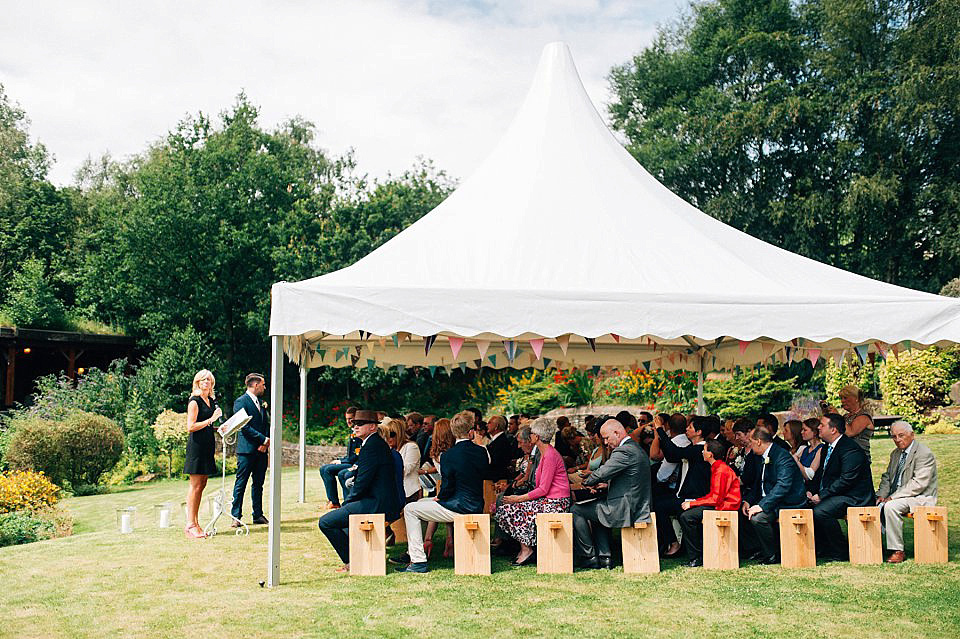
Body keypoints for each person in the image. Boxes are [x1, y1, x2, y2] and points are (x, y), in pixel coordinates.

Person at [397, 410, 490, 573]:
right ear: (471, 431)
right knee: (419, 504)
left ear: (454, 432)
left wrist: (440, 498)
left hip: (458, 507)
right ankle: (418, 556)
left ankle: (418, 560)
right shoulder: (482, 451)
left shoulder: (448, 455)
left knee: (410, 509)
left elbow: (448, 486)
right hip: (476, 504)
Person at [318, 410, 400, 572]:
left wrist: (347, 502)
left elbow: (363, 482)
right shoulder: (373, 443)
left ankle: (354, 560)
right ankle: (357, 557)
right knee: (340, 519)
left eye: (360, 424)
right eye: (354, 424)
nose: (355, 427)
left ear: (372, 427)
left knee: (326, 522)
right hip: (378, 500)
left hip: (377, 503)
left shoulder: (372, 446)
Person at [572, 418, 651, 570]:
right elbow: (629, 478)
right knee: (595, 510)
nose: (606, 443)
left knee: (577, 510)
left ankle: (589, 556)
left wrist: (585, 483)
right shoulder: (635, 447)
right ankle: (605, 557)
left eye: (607, 438)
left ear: (617, 433)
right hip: (636, 503)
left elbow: (603, 471)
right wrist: (606, 484)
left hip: (626, 508)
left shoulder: (624, 450)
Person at [494, 417, 572, 566]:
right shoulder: (545, 454)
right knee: (507, 509)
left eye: (531, 433)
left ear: (537, 437)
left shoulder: (549, 455)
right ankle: (527, 548)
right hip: (549, 500)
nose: (529, 436)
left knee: (511, 509)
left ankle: (527, 549)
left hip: (555, 503)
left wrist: (518, 499)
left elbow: (543, 489)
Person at [809, 412, 876, 561]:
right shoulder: (827, 448)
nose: (818, 427)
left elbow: (846, 480)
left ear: (833, 430)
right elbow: (821, 474)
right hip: (839, 493)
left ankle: (840, 550)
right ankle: (822, 547)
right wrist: (811, 491)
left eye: (822, 425)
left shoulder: (849, 449)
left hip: (854, 496)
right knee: (804, 506)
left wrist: (821, 495)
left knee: (821, 511)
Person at [741, 428, 807, 564]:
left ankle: (772, 554)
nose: (750, 445)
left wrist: (761, 506)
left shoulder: (781, 456)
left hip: (787, 502)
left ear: (759, 442)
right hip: (772, 500)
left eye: (751, 442)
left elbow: (783, 486)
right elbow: (759, 482)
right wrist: (748, 501)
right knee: (739, 511)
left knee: (758, 518)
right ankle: (755, 549)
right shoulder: (762, 456)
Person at [876, 420, 938, 563]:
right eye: (894, 436)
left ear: (912, 435)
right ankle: (872, 546)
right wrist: (881, 495)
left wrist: (892, 497)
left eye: (901, 435)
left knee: (891, 507)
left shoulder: (924, 453)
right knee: (868, 501)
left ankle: (897, 551)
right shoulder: (896, 454)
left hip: (920, 496)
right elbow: (887, 477)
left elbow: (919, 483)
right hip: (897, 495)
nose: (897, 440)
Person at [653, 415, 711, 557]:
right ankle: (676, 543)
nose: (686, 429)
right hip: (684, 494)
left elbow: (673, 453)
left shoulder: (700, 450)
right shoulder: (693, 448)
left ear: (699, 432)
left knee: (659, 506)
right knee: (660, 503)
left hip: (694, 497)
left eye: (690, 427)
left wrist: (660, 430)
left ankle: (674, 543)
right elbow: (673, 455)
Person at [678, 439, 741, 566]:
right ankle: (698, 554)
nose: (702, 452)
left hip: (725, 506)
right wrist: (696, 501)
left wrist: (693, 503)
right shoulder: (717, 467)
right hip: (720, 504)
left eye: (705, 450)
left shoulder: (721, 470)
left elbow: (716, 499)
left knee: (686, 517)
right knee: (688, 514)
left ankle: (696, 557)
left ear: (710, 454)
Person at [183, 369, 222, 539]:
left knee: (203, 483)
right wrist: (211, 420)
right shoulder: (194, 401)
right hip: (197, 447)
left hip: (207, 445)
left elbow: (207, 424)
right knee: (195, 485)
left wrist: (218, 427)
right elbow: (190, 427)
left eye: (209, 379)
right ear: (197, 382)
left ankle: (196, 523)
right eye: (203, 379)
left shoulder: (210, 400)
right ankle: (190, 524)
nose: (206, 381)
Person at [231, 373, 270, 527]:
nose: (265, 387)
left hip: (261, 450)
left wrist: (265, 443)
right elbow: (243, 426)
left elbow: (265, 424)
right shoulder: (240, 402)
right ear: (255, 385)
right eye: (263, 384)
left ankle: (258, 514)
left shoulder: (261, 403)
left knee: (258, 484)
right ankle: (236, 516)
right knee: (241, 483)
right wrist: (263, 439)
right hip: (246, 450)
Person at [319, 406, 361, 509]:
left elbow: (355, 457)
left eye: (351, 418)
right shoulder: (352, 431)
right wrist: (341, 460)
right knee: (323, 468)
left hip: (355, 463)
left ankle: (336, 502)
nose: (348, 421)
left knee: (328, 470)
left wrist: (340, 462)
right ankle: (332, 501)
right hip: (350, 461)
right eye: (347, 419)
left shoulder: (359, 432)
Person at [839, 385, 875, 462]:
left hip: (859, 460)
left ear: (856, 399)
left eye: (845, 398)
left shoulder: (863, 416)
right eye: (841, 398)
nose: (842, 401)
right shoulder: (846, 416)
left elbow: (850, 432)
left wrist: (837, 417)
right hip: (845, 458)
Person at [793, 418, 825, 492]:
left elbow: (810, 475)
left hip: (813, 490)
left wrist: (797, 461)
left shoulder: (821, 449)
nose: (801, 432)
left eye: (805, 430)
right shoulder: (804, 449)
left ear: (814, 432)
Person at [486, 415, 520, 483]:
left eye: (489, 423)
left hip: (497, 480)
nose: (487, 425)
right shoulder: (496, 440)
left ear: (496, 426)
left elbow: (495, 462)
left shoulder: (501, 441)